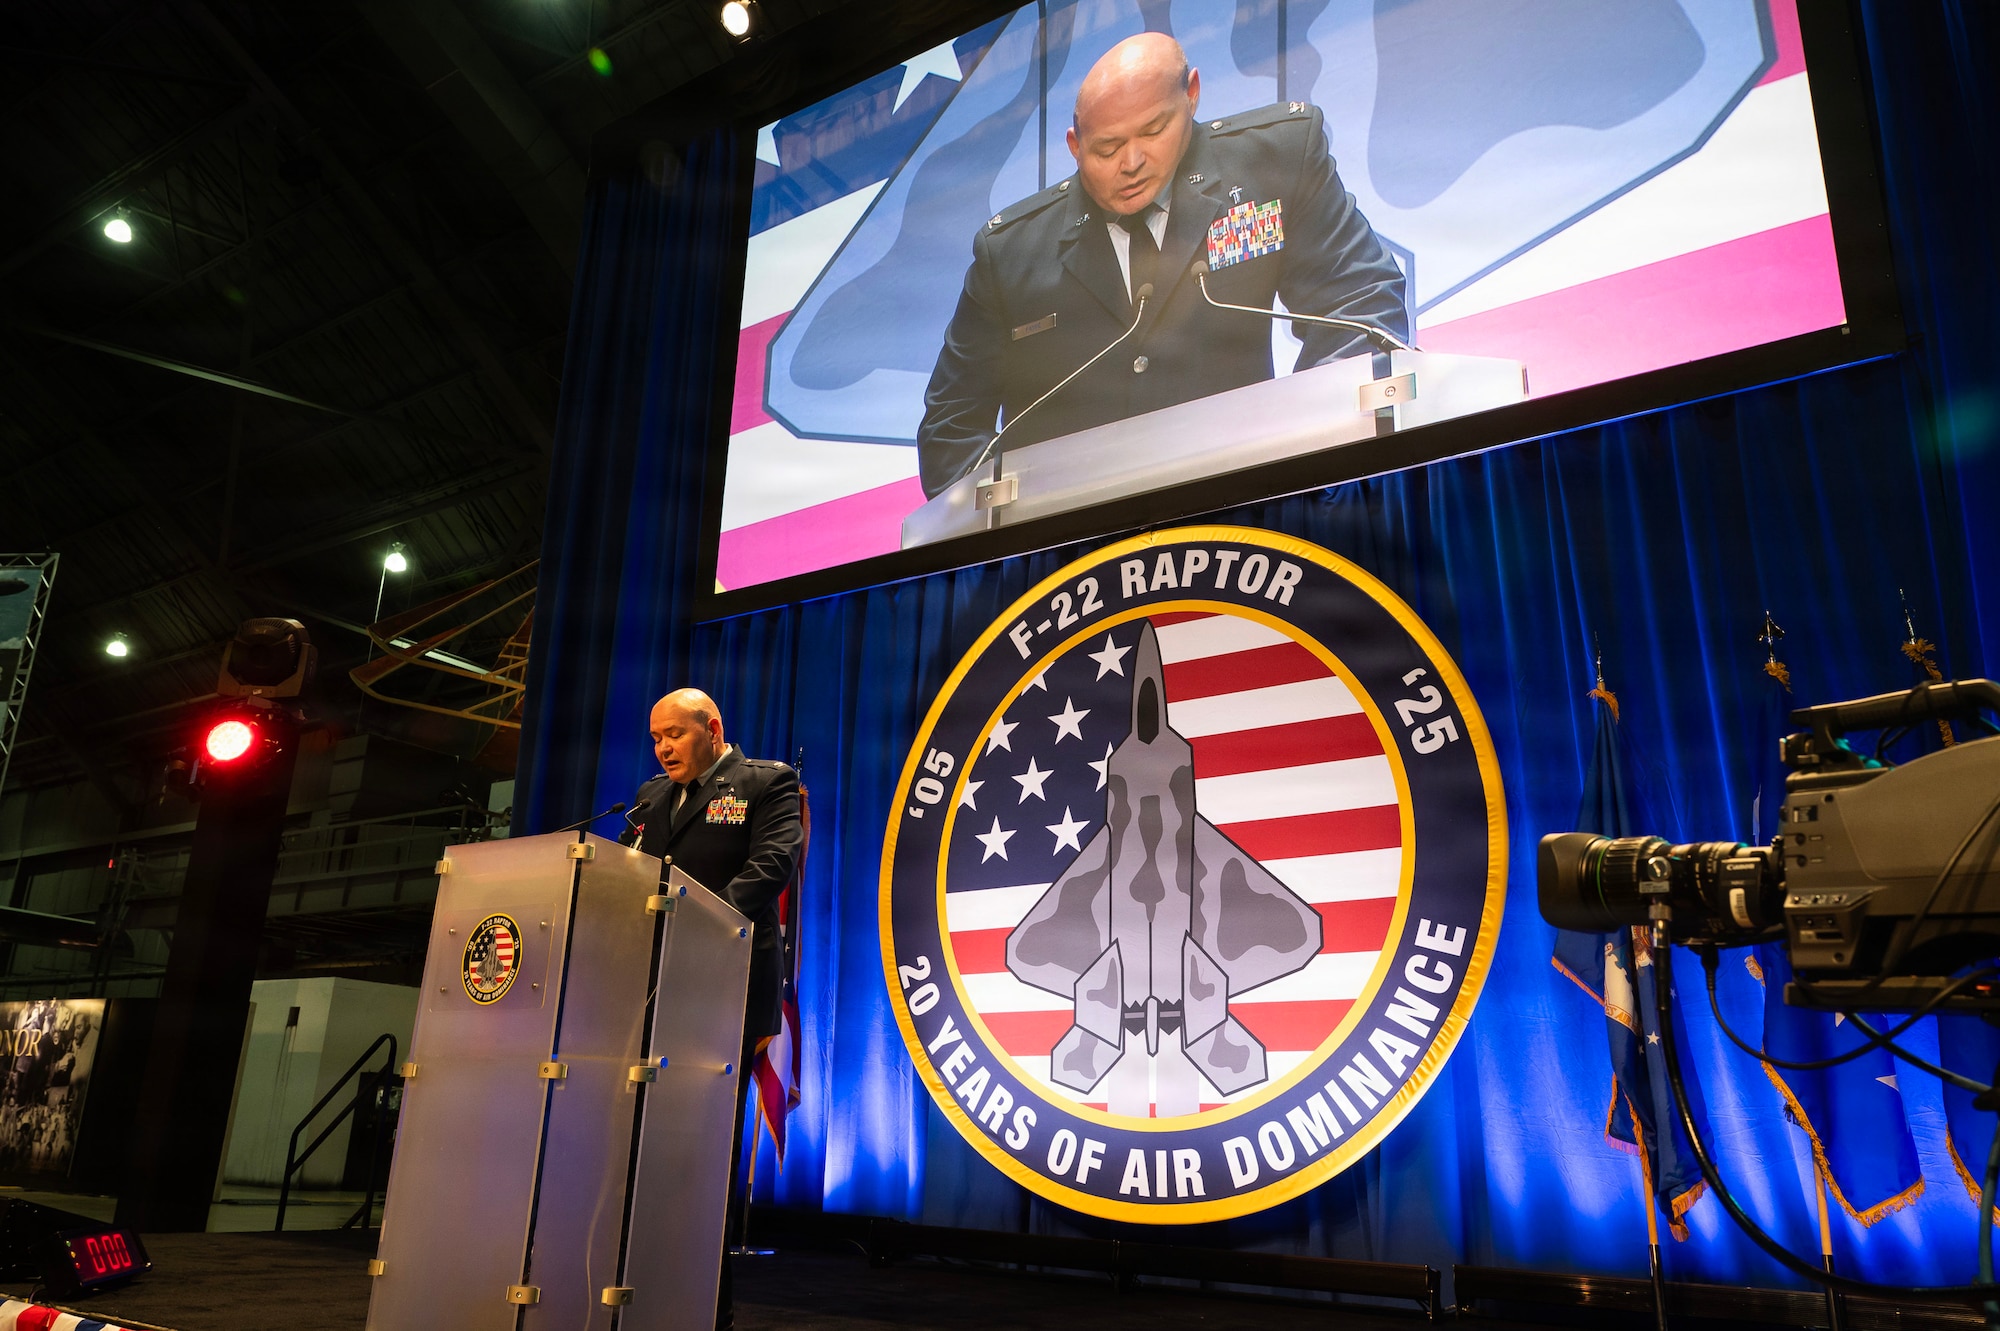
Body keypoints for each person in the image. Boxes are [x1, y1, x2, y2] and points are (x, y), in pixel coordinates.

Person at [917, 33, 1409, 499]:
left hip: (1247, 502)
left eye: (1154, 130)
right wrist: (1010, 521)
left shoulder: (1274, 162)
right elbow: (951, 425)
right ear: (1074, 146)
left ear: (1192, 95)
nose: (1132, 162)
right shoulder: (1011, 252)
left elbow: (1359, 305)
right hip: (1069, 548)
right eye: (1106, 148)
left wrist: (1305, 448)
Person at [629, 688, 803, 1331]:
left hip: (727, 986)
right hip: (654, 988)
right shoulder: (650, 799)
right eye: (655, 738)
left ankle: (707, 1306)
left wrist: (701, 924)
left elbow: (772, 865)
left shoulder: (765, 783)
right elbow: (629, 874)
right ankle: (641, 1285)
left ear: (712, 728)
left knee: (704, 1151)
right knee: (648, 1148)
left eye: (674, 734)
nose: (664, 748)